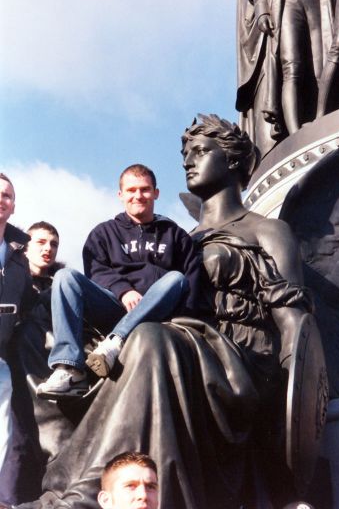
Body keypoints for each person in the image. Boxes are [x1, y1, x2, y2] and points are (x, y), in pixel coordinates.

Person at [17, 118, 312, 509]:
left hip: (235, 356)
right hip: (180, 337)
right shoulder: (184, 237)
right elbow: (103, 274)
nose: (189, 161)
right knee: (44, 325)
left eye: (201, 151)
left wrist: (286, 405)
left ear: (233, 160)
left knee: (149, 339)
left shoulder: (267, 230)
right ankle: (52, 469)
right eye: (185, 153)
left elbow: (296, 323)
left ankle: (97, 491)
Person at [37, 164, 200, 399]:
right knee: (65, 277)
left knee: (176, 278)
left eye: (145, 189)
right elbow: (96, 271)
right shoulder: (103, 233)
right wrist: (123, 290)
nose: (138, 196)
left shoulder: (175, 235)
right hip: (113, 307)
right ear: (120, 194)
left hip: (156, 313)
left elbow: (191, 282)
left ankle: (115, 342)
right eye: (131, 190)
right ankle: (69, 370)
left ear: (156, 193)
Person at [236, 0, 339, 150]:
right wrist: (262, 9)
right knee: (291, 66)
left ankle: (323, 119)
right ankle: (295, 132)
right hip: (286, 3)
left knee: (322, 64)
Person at [0, 174, 33, 505]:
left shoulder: (19, 256)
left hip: (1, 358)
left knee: (3, 435)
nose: (1, 199)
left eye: (7, 196)